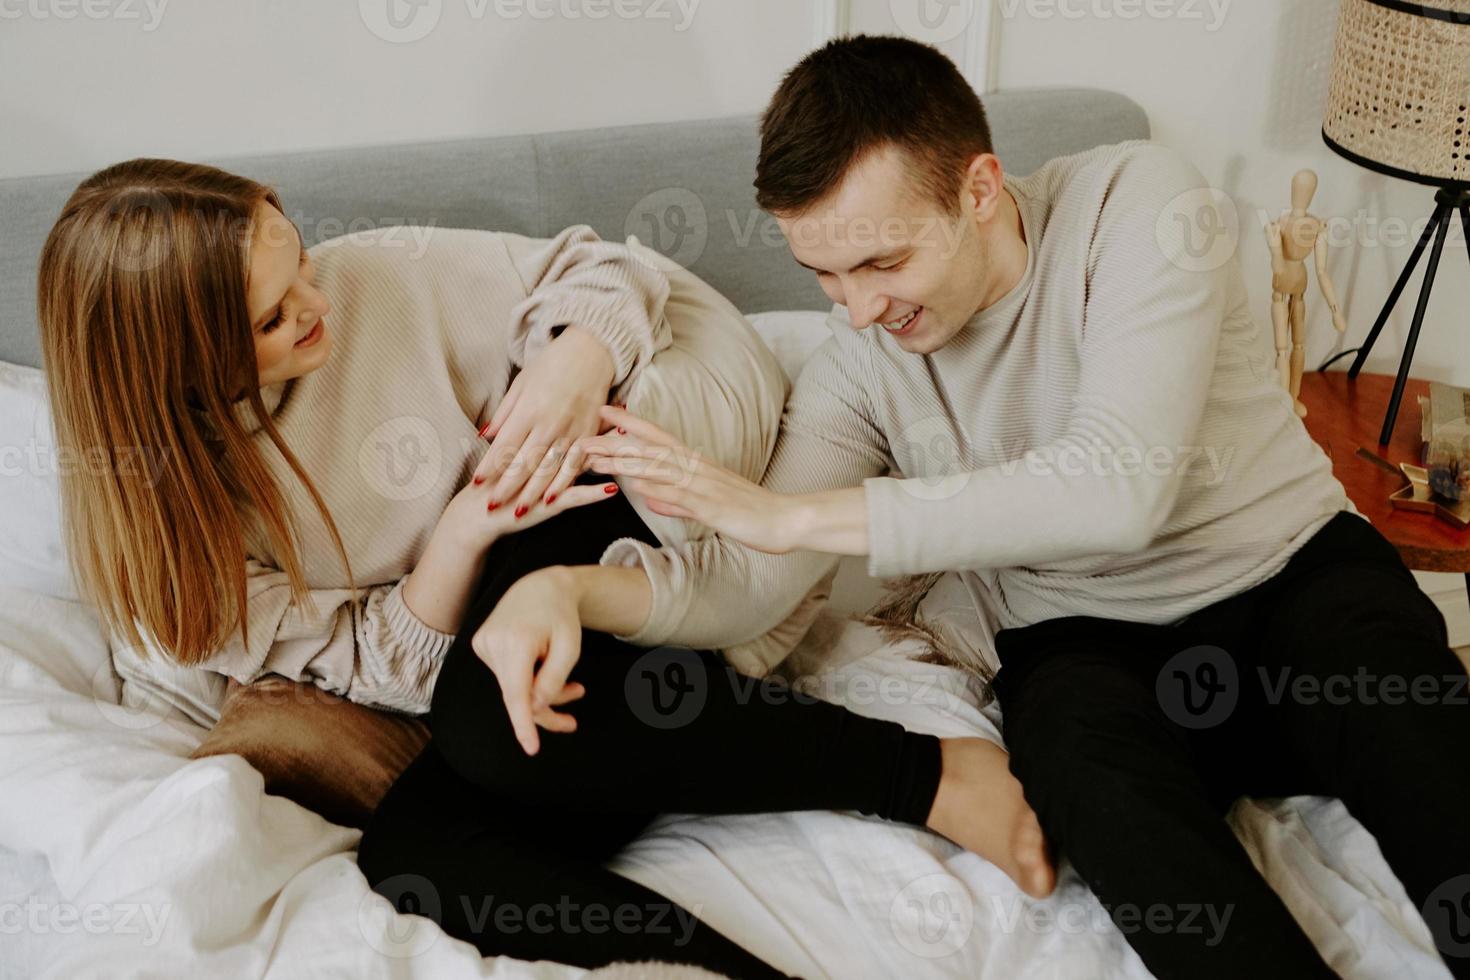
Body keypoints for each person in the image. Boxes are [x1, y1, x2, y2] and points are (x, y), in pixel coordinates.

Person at [487, 35, 1470, 980]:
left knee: (1420, 744)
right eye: (823, 274)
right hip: (1085, 643)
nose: (859, 307)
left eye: (882, 263)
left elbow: (1119, 485)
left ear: (981, 188)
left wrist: (796, 516)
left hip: (1291, 577)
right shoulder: (859, 368)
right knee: (1101, 794)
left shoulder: (1139, 201)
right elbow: (749, 583)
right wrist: (569, 589)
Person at [37, 157, 1053, 979]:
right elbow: (386, 666)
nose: (317, 298)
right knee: (418, 855)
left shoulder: (368, 277)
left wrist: (574, 362)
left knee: (489, 714)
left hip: (656, 388)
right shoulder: (176, 546)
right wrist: (463, 532)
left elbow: (604, 274)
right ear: (178, 367)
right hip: (504, 547)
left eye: (297, 256)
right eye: (270, 317)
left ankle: (922, 771)